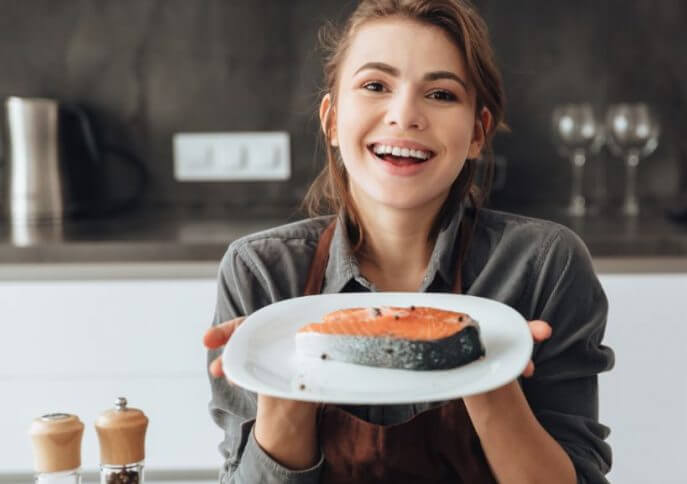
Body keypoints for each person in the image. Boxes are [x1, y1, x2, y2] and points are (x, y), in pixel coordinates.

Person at [203, 0, 615, 482]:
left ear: (478, 132)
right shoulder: (262, 275)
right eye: (375, 86)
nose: (405, 116)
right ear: (332, 120)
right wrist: (281, 377)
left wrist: (487, 369)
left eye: (440, 94)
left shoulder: (545, 265)